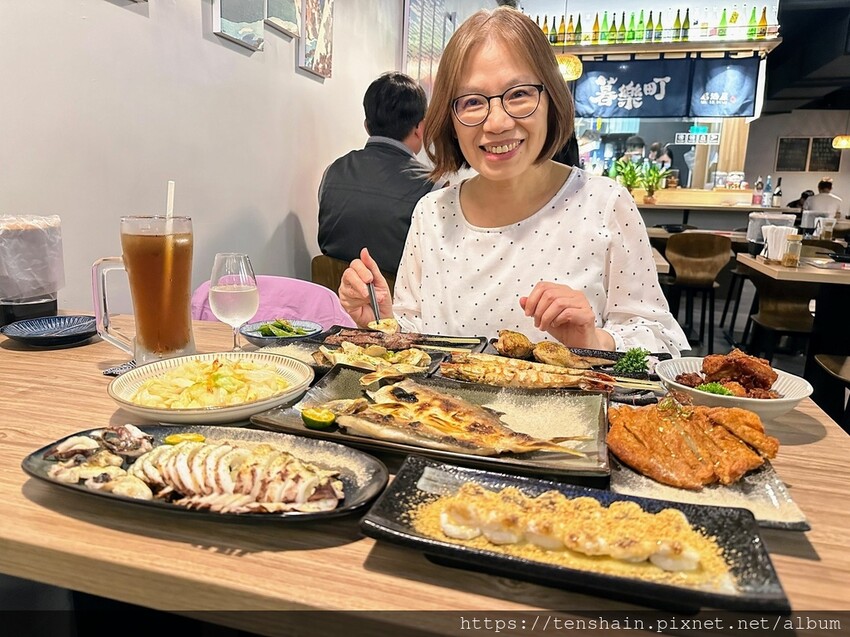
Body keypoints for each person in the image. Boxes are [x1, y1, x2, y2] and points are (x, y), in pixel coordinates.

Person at [338, 8, 688, 355]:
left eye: (519, 94)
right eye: (473, 101)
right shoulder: (432, 213)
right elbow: (419, 336)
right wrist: (382, 325)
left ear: (551, 98)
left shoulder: (605, 205)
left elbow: (662, 342)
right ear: (451, 118)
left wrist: (596, 341)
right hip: (450, 411)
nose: (497, 123)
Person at [317, 72, 436, 275]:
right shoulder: (434, 188)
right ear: (420, 128)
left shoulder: (332, 172)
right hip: (397, 305)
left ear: (367, 126)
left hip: (334, 300)